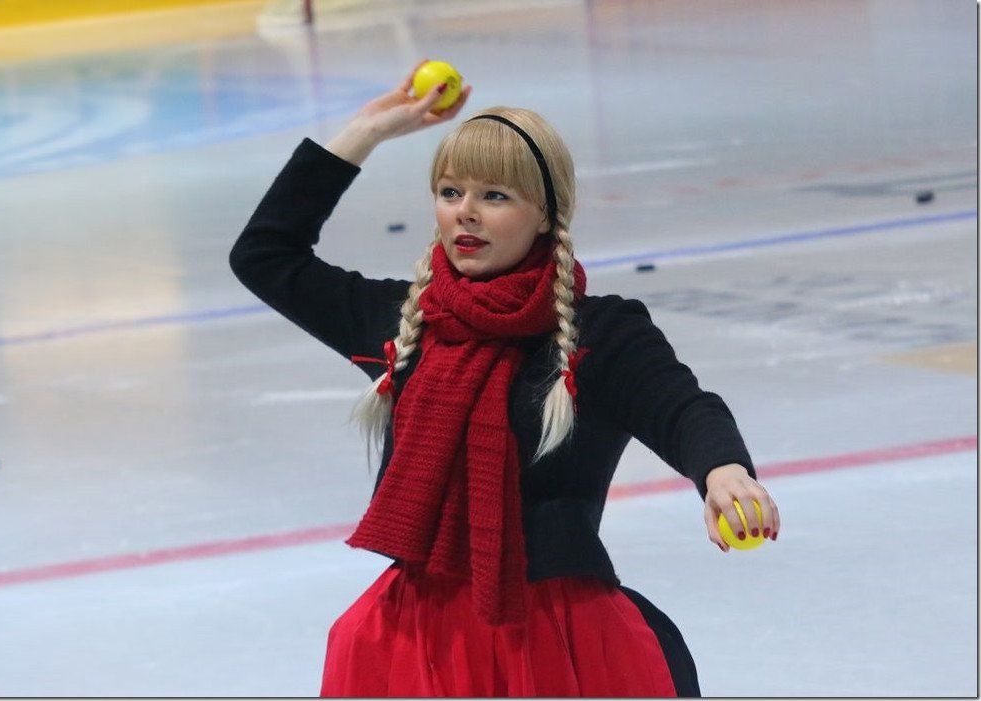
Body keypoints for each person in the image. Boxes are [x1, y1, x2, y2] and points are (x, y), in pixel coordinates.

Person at [229, 60, 781, 698]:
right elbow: (264, 256)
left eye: (494, 196)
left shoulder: (598, 335)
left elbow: (683, 408)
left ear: (545, 215)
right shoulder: (408, 322)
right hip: (418, 641)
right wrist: (367, 132)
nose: (466, 213)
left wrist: (723, 470)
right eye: (450, 192)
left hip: (554, 637)